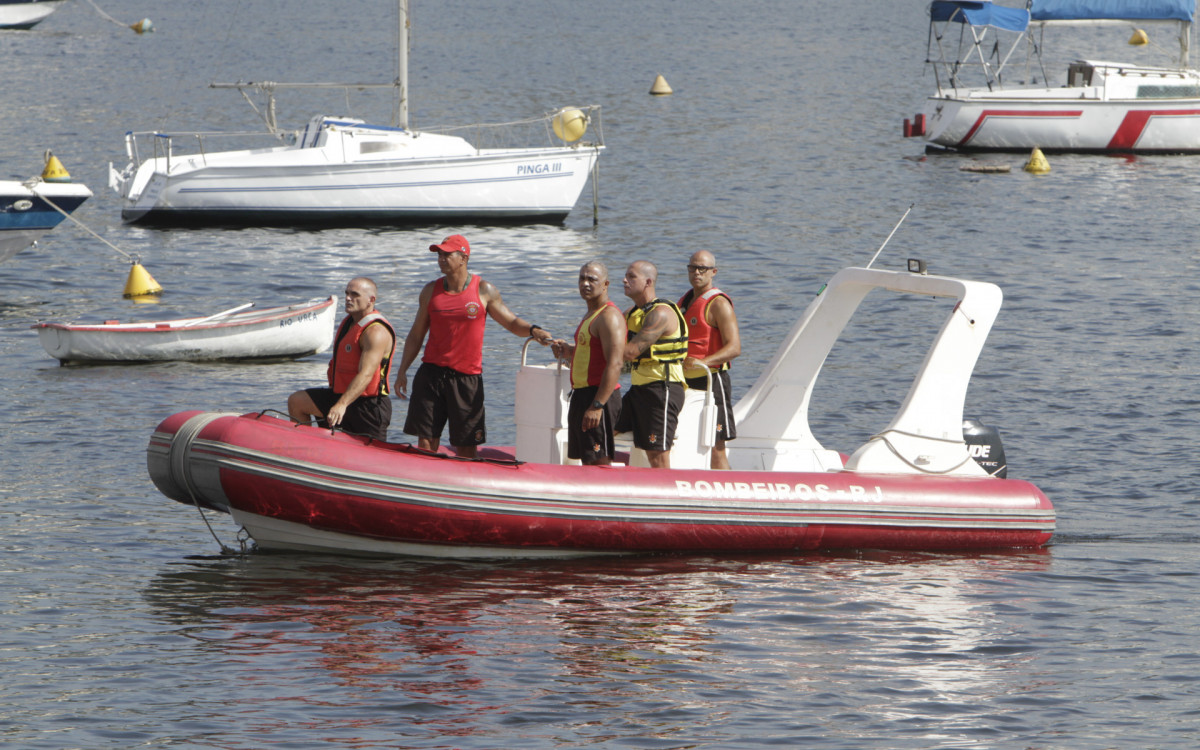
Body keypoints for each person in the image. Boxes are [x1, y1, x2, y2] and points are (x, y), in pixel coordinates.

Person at [395, 234, 553, 458]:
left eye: (447, 254)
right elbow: (416, 335)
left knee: (467, 446)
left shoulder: (484, 290)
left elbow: (511, 322)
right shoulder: (430, 290)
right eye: (439, 254)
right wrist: (402, 370)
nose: (441, 259)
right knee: (426, 441)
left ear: (463, 258)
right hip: (431, 375)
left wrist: (534, 331)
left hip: (466, 379)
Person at [287, 277, 397, 441]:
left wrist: (341, 405)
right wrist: (340, 402)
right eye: (346, 293)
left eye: (355, 294)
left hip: (368, 406)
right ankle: (306, 447)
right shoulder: (349, 323)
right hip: (341, 395)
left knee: (369, 453)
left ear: (371, 300)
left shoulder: (376, 332)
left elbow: (366, 374)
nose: (348, 298)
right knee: (297, 401)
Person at [550, 261, 626, 466]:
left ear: (605, 284)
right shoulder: (592, 313)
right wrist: (570, 352)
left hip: (598, 396)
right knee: (586, 459)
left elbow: (615, 363)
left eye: (592, 279)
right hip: (582, 394)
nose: (585, 283)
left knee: (598, 462)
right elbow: (594, 351)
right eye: (582, 278)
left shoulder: (609, 316)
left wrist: (597, 405)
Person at [619, 260, 688, 469]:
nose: (624, 280)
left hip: (662, 390)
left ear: (648, 282)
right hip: (638, 390)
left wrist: (595, 351)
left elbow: (630, 352)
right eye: (626, 276)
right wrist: (574, 351)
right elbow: (603, 340)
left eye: (631, 276)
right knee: (602, 429)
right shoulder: (631, 313)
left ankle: (667, 489)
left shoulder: (660, 314)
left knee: (657, 456)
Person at [679, 250, 741, 469]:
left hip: (712, 381)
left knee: (716, 445)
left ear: (713, 272)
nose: (697, 272)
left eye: (702, 269)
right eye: (692, 268)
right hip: (684, 381)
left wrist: (703, 362)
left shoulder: (719, 304)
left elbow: (734, 348)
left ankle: (727, 486)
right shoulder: (685, 301)